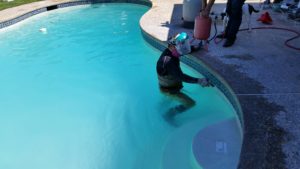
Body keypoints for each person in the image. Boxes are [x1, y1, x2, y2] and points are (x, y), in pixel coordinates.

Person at [156, 33, 213, 125]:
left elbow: (185, 49)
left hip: (169, 85)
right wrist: (199, 81)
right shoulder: (168, 61)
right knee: (190, 103)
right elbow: (181, 77)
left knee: (168, 99)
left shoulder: (171, 51)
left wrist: (198, 46)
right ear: (173, 46)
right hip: (170, 90)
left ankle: (160, 107)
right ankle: (169, 114)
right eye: (181, 45)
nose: (183, 48)